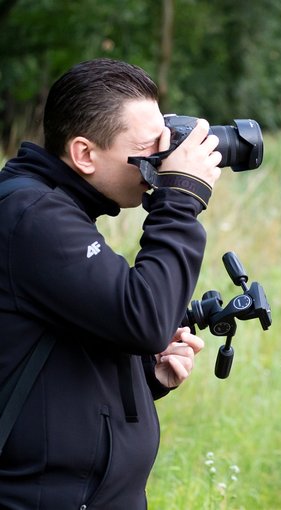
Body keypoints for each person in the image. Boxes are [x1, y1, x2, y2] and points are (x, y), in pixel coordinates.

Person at [0, 58, 222, 508]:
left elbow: (59, 350)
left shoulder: (56, 208)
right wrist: (179, 199)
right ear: (84, 154)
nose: (160, 161)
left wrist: (145, 376)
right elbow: (143, 319)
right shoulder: (33, 215)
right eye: (148, 148)